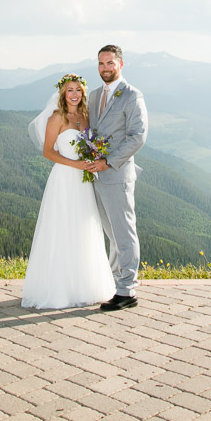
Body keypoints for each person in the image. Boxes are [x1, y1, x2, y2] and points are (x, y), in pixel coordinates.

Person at [21, 73, 115, 309]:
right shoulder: (57, 118)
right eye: (70, 90)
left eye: (78, 90)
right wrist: (75, 164)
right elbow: (48, 152)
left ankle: (83, 285)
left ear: (83, 93)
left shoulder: (85, 117)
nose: (74, 94)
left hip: (84, 182)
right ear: (63, 93)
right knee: (62, 228)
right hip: (64, 179)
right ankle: (58, 289)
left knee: (83, 228)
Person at [86, 45, 148, 311]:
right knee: (111, 233)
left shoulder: (132, 95)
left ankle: (127, 291)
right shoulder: (95, 94)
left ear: (121, 64)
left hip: (117, 174)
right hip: (96, 176)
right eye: (101, 64)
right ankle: (115, 281)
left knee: (124, 233)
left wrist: (108, 162)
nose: (105, 68)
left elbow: (138, 136)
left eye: (110, 63)